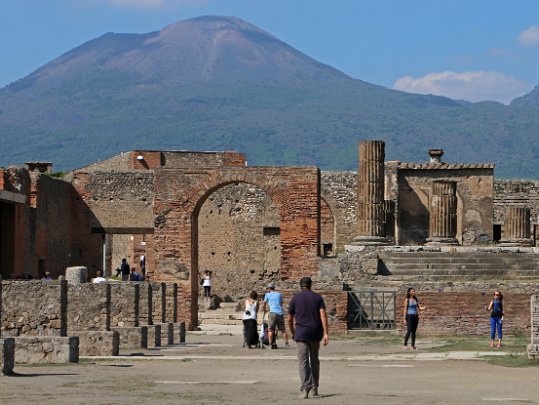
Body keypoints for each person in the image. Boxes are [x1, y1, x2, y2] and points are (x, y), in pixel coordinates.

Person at [288, 277, 329, 399]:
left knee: (303, 361)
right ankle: (315, 387)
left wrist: (293, 332)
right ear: (311, 285)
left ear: (300, 286)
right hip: (315, 332)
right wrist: (326, 333)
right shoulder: (318, 298)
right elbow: (323, 316)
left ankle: (305, 388)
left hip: (301, 333)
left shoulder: (295, 298)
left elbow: (289, 318)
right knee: (315, 359)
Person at [263, 282, 289, 349]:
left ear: (269, 288)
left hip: (272, 313)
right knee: (283, 330)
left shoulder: (267, 295)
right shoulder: (279, 294)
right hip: (280, 312)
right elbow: (280, 303)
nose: (267, 290)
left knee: (270, 329)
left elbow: (264, 303)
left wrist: (265, 310)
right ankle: (286, 344)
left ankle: (270, 344)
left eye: (267, 288)